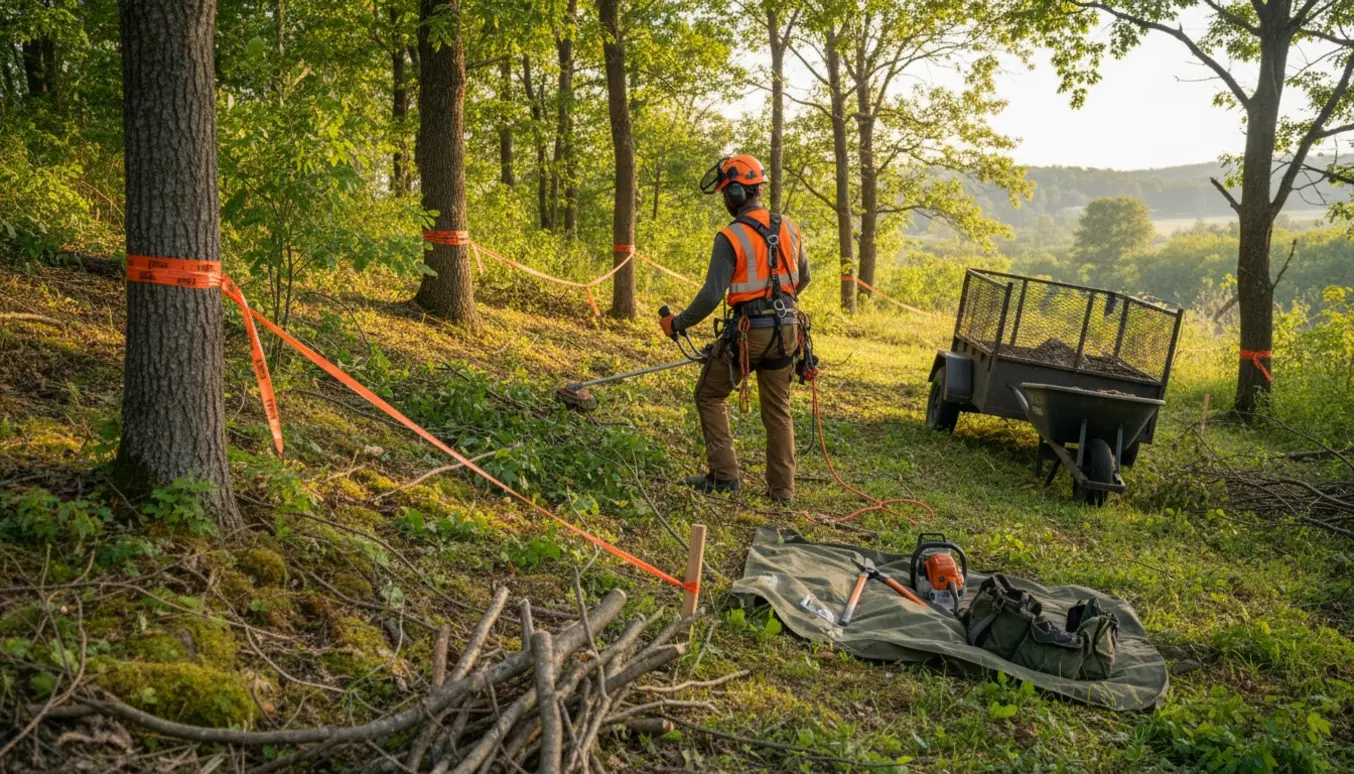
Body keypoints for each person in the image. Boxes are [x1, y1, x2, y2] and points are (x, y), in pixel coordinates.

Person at [659, 154, 811, 504]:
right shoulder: (790, 226)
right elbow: (804, 278)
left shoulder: (731, 236)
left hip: (748, 333)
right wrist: (783, 302)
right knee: (778, 411)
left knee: (708, 395)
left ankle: (725, 476)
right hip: (787, 330)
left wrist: (678, 323)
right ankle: (782, 493)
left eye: (727, 192)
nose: (727, 199)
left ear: (738, 194)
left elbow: (712, 294)